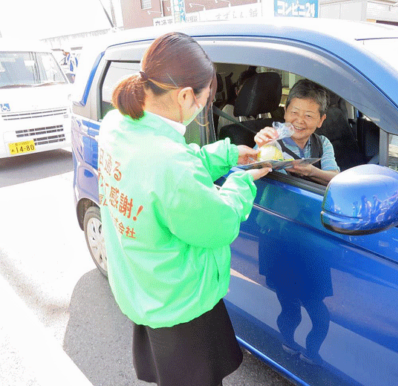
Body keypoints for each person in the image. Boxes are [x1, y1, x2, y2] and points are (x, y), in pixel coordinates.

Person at [97, 32, 270, 386]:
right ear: (185, 95)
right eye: (205, 102)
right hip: (181, 304)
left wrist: (226, 154)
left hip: (148, 285)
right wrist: (242, 180)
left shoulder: (118, 124)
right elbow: (218, 223)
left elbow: (163, 178)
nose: (201, 109)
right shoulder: (168, 162)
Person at [254, 79, 340, 185]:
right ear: (285, 112)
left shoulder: (322, 143)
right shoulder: (270, 140)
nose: (299, 121)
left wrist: (311, 172)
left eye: (308, 116)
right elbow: (252, 171)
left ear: (321, 120)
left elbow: (335, 177)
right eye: (294, 112)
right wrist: (261, 148)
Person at [217, 66, 257, 131]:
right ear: (236, 91)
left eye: (254, 90)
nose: (251, 94)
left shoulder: (263, 112)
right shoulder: (229, 111)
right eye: (246, 90)